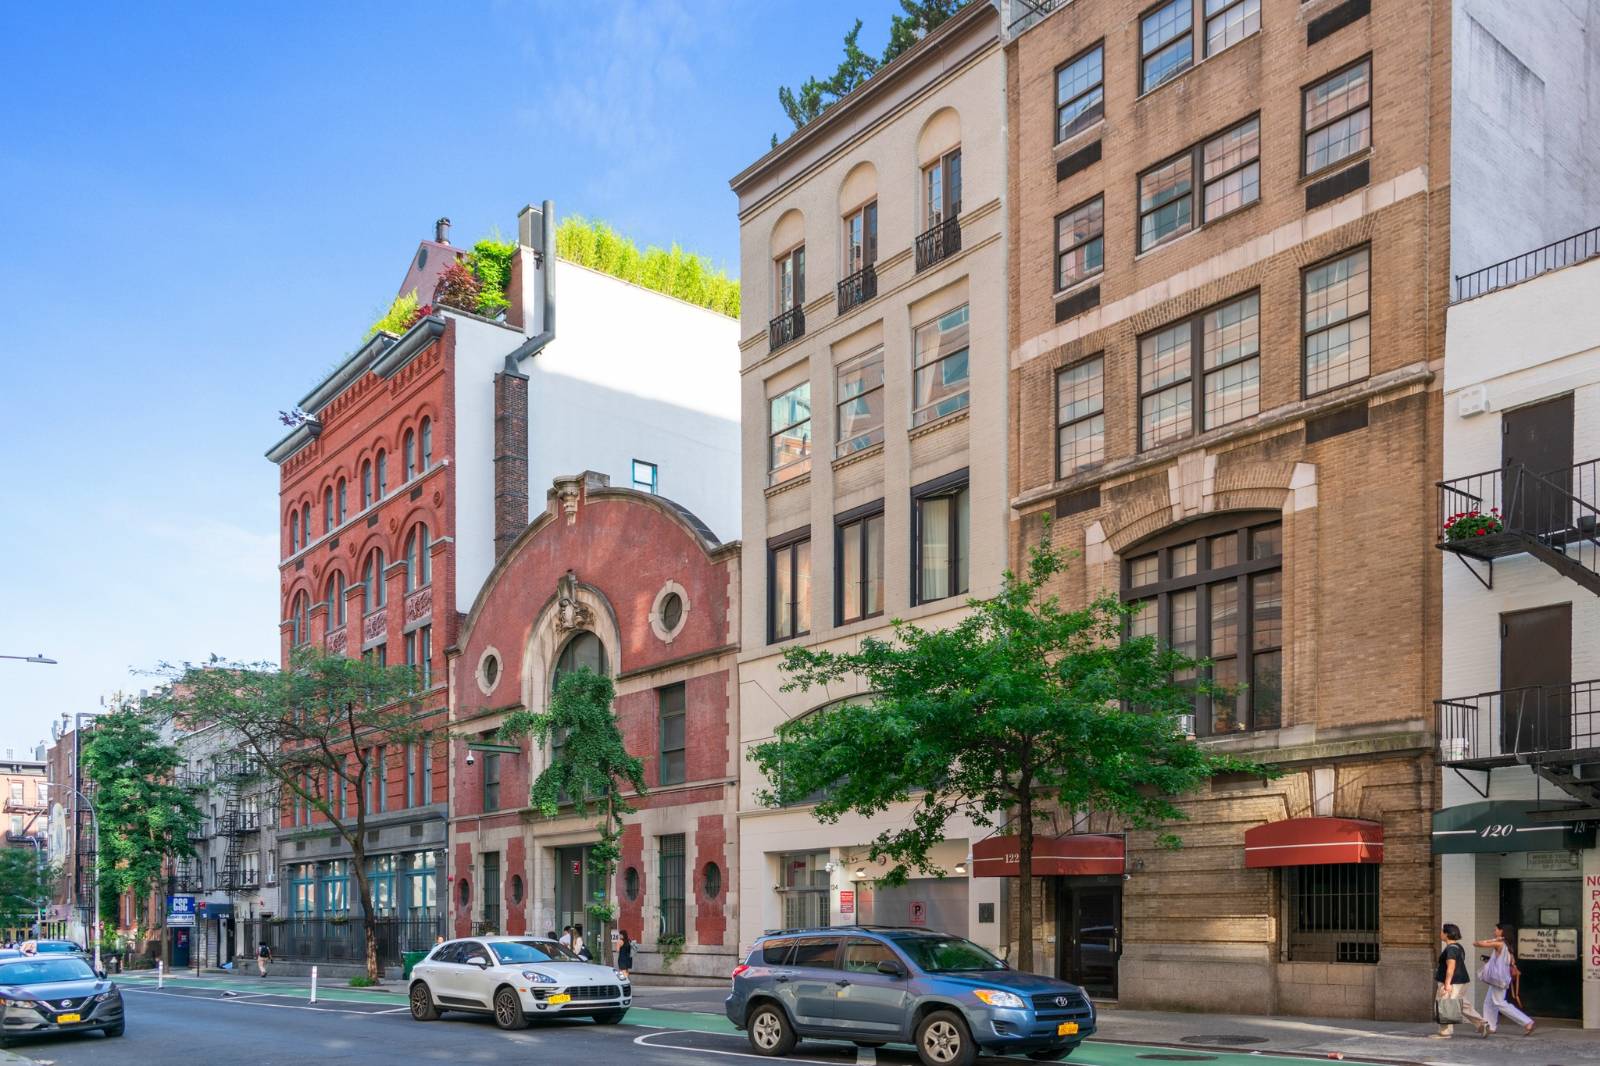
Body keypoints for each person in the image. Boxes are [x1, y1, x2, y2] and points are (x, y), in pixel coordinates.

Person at [1473, 925, 1534, 1036]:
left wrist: (1493, 940)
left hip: (1498, 978)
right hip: (1500, 978)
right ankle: (1490, 1026)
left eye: (1496, 929)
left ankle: (1527, 1022)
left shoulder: (1500, 943)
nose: (1494, 930)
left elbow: (1477, 943)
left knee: (1499, 1003)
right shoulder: (1508, 946)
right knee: (1489, 1002)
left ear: (1502, 931)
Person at [1435, 923, 1487, 1037]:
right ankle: (1482, 1024)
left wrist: (1447, 983)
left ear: (1447, 934)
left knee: (1446, 1004)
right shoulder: (1458, 947)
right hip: (1461, 981)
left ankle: (1445, 1031)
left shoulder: (1451, 950)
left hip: (1452, 982)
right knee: (1462, 1004)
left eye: (1442, 932)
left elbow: (1451, 967)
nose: (1440, 934)